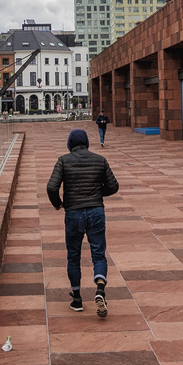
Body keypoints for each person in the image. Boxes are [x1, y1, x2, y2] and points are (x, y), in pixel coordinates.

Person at [47, 127, 120, 316]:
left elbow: (51, 187)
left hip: (73, 214)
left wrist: (58, 204)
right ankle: (100, 289)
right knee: (98, 254)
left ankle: (77, 299)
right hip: (96, 211)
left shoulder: (63, 161)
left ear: (70, 144)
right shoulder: (100, 159)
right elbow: (113, 186)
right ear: (86, 142)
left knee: (73, 255)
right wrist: (96, 193)